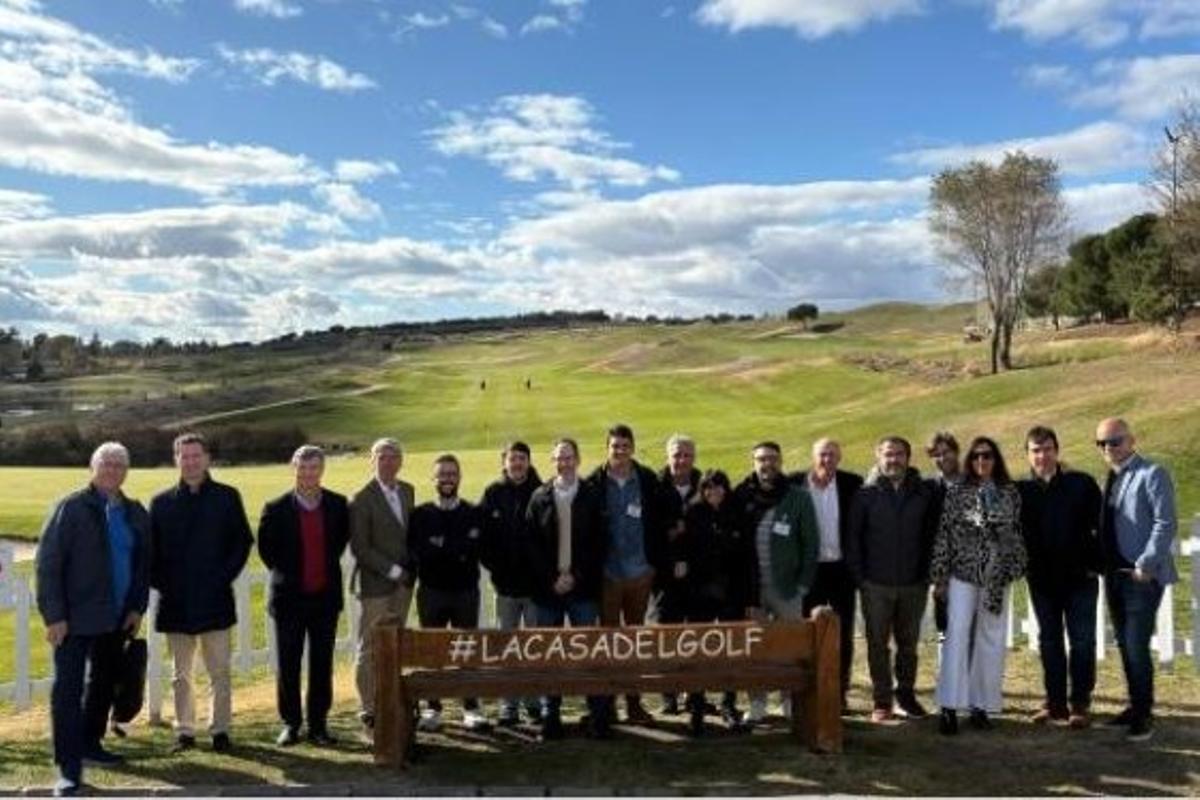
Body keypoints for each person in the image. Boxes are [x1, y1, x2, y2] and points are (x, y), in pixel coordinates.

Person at [37, 442, 150, 797]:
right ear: (93, 466)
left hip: (117, 618)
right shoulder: (71, 508)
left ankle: (90, 743)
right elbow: (48, 566)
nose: (113, 470)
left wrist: (136, 607)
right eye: (106, 463)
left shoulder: (134, 512)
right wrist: (54, 616)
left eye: (120, 464)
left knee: (102, 686)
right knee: (67, 693)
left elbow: (142, 566)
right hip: (73, 620)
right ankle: (68, 770)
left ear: (127, 471)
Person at [149, 433, 252, 754]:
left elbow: (241, 543)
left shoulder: (226, 497)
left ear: (207, 459)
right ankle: (185, 731)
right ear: (176, 460)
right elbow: (150, 555)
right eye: (184, 456)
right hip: (176, 602)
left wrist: (222, 578)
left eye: (196, 456)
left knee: (219, 671)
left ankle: (220, 729)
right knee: (181, 674)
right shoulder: (161, 502)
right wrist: (166, 584)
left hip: (215, 599)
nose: (190, 461)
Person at [931, 437, 1026, 735]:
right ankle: (948, 706)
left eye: (987, 456)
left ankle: (981, 705)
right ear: (970, 461)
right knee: (956, 635)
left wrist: (1013, 565)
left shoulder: (1010, 492)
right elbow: (944, 533)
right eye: (976, 457)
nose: (981, 462)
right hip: (963, 573)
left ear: (996, 459)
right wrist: (940, 575)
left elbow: (1014, 532)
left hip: (996, 577)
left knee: (991, 638)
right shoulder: (957, 491)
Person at [257, 445, 350, 747]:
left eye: (314, 468)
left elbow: (338, 544)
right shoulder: (275, 508)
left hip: (325, 600)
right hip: (289, 601)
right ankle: (291, 724)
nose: (308, 473)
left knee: (322, 665)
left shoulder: (338, 505)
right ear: (292, 467)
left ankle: (319, 725)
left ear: (322, 470)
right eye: (302, 467)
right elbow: (267, 553)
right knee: (289, 665)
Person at [1095, 417, 1178, 742]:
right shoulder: (1111, 479)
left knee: (1136, 646)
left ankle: (1144, 714)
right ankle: (1134, 704)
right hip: (1114, 576)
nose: (1108, 448)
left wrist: (1146, 563)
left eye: (1114, 441)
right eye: (1101, 443)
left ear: (1132, 440)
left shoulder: (1152, 474)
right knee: (1127, 646)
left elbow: (1165, 522)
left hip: (1141, 577)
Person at [846, 436, 937, 723]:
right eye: (888, 454)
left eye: (899, 454)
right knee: (877, 645)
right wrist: (861, 578)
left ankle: (906, 696)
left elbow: (932, 536)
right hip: (875, 584)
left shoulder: (923, 493)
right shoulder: (865, 494)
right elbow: (853, 539)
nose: (893, 460)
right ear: (878, 456)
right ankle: (882, 700)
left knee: (908, 644)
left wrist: (926, 576)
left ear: (908, 458)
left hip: (913, 583)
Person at [1017, 426, 1102, 729]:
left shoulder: (1082, 484)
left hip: (1080, 578)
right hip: (1042, 581)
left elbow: (1102, 526)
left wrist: (1096, 564)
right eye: (1035, 450)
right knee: (1050, 641)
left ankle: (1080, 703)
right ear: (1027, 454)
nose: (1042, 455)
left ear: (1057, 450)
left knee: (1082, 641)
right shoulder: (1019, 491)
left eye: (1047, 448)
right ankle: (1055, 703)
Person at [525, 438, 609, 739]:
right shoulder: (539, 497)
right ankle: (551, 716)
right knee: (550, 655)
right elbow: (531, 546)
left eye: (569, 457)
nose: (564, 463)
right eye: (559, 458)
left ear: (578, 459)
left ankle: (597, 713)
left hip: (582, 589)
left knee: (588, 652)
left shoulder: (592, 495)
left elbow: (600, 543)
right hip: (549, 591)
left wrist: (575, 575)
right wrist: (553, 578)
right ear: (552, 461)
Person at [732, 441, 819, 724]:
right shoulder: (742, 494)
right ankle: (757, 703)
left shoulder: (797, 497)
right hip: (752, 589)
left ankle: (789, 701)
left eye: (771, 459)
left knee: (789, 650)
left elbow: (811, 543)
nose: (766, 464)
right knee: (755, 650)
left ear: (780, 462)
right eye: (760, 459)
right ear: (753, 462)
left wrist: (803, 585)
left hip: (787, 589)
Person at [588, 423, 666, 725]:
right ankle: (607, 705)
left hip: (640, 574)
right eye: (614, 446)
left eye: (624, 446)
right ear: (607, 448)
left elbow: (660, 518)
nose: (619, 451)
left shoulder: (646, 479)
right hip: (608, 575)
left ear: (632, 448)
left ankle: (634, 704)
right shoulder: (595, 482)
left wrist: (655, 562)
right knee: (609, 644)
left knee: (634, 643)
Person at [409, 454, 488, 732]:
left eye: (452, 474)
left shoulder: (473, 512)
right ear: (433, 479)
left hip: (465, 592)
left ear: (459, 478)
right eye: (442, 474)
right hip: (431, 592)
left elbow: (476, 549)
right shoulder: (420, 515)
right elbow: (421, 552)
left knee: (467, 651)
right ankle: (433, 707)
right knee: (433, 653)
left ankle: (471, 707)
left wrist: (443, 547)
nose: (447, 479)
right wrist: (455, 548)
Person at [349, 438, 416, 732]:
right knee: (371, 646)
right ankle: (369, 706)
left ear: (400, 461)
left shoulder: (408, 491)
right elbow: (361, 548)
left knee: (396, 642)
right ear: (372, 461)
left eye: (393, 457)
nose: (388, 462)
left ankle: (391, 698)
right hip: (376, 585)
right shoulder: (362, 498)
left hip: (404, 585)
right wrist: (393, 571)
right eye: (382, 457)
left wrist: (409, 570)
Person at [792, 438, 863, 712]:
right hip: (809, 572)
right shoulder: (795, 483)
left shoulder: (852, 484)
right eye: (822, 455)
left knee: (842, 633)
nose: (827, 460)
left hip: (841, 569)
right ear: (813, 457)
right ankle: (808, 690)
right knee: (808, 632)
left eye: (832, 455)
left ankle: (840, 691)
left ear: (840, 458)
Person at [681, 469, 752, 734]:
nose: (715, 492)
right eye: (709, 487)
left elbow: (746, 557)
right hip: (700, 595)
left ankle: (728, 704)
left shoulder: (736, 514)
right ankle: (697, 706)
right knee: (699, 651)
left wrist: (748, 596)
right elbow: (684, 552)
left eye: (719, 487)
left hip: (731, 594)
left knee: (730, 652)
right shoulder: (693, 513)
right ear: (702, 489)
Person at [479, 441, 543, 727]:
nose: (517, 463)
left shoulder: (542, 491)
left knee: (533, 648)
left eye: (522, 458)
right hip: (505, 588)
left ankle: (533, 702)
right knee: (507, 648)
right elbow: (483, 539)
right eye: (512, 458)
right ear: (503, 462)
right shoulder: (493, 493)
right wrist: (497, 570)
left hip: (535, 588)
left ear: (529, 462)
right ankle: (509, 706)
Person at [653, 433, 701, 716]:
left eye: (686, 455)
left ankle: (694, 695)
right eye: (676, 455)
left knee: (694, 638)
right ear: (668, 456)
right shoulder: (655, 486)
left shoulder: (704, 483)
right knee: (666, 638)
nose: (681, 460)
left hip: (697, 576)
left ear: (693, 457)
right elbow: (650, 532)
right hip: (664, 577)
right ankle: (668, 695)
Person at [925, 431, 962, 641]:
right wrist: (938, 578)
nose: (942, 459)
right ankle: (947, 673)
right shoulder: (929, 490)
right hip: (944, 577)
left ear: (956, 452)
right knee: (945, 634)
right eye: (936, 455)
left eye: (945, 452)